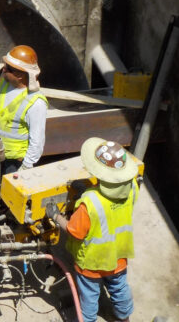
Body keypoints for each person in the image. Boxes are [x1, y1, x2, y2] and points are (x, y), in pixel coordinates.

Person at [46, 137, 140, 322]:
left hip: (91, 264)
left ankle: (87, 319)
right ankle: (123, 317)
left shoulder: (89, 203)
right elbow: (114, 207)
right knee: (119, 288)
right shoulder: (133, 187)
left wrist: (56, 216)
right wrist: (89, 190)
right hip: (118, 257)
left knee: (89, 295)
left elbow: (74, 231)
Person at [0, 45, 48, 184]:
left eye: (8, 69)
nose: (3, 70)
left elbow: (37, 140)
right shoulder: (5, 83)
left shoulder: (35, 103)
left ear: (20, 75)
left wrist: (26, 166)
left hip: (15, 163)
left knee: (12, 197)